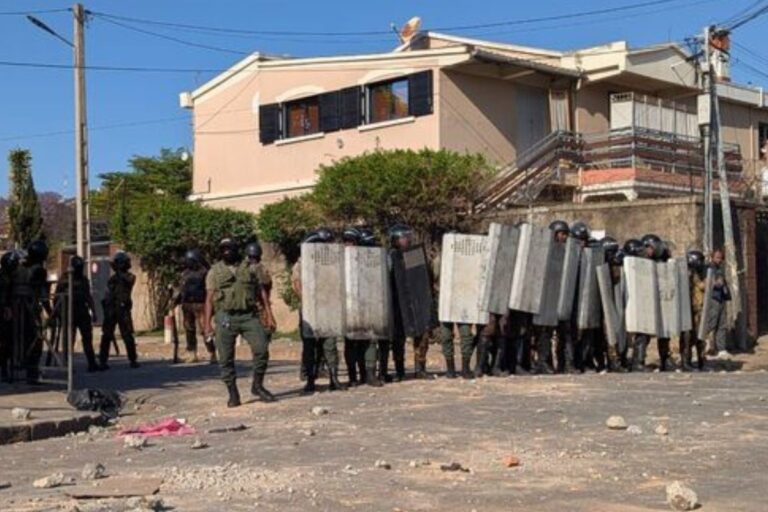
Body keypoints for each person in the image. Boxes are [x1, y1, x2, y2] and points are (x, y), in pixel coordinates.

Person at [204, 238, 277, 408]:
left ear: (237, 249)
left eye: (230, 248)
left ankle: (257, 386)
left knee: (261, 349)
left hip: (248, 315)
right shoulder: (214, 272)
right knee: (226, 358)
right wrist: (207, 324)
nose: (227, 251)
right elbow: (208, 299)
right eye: (224, 249)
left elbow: (261, 291)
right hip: (225, 316)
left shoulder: (250, 267)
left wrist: (268, 314)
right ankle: (232, 392)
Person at [292, 229, 346, 394]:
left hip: (328, 307)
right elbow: (297, 285)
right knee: (310, 346)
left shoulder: (331, 261)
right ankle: (310, 380)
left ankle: (333, 378)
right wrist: (309, 302)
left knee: (330, 343)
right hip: (310, 308)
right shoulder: (301, 263)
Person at [384, 224, 433, 381]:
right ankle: (399, 371)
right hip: (397, 302)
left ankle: (420, 368)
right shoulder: (389, 257)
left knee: (421, 334)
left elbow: (423, 278)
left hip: (415, 300)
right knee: (398, 338)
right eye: (403, 237)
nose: (406, 240)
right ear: (395, 239)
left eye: (407, 237)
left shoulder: (414, 255)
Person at [534, 220, 571, 375]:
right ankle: (543, 362)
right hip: (545, 299)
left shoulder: (567, 252)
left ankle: (563, 363)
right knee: (545, 334)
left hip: (560, 298)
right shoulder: (543, 250)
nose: (564, 237)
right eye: (561, 234)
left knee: (563, 333)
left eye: (565, 234)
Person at [12, 240, 51, 384]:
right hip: (29, 307)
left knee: (17, 339)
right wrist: (50, 312)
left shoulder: (19, 268)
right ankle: (32, 373)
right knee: (35, 340)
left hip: (15, 308)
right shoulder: (38, 270)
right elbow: (43, 294)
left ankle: (13, 371)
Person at [53, 256, 99, 372]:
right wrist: (56, 313)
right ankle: (67, 365)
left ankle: (92, 363)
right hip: (69, 313)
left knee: (87, 339)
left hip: (82, 312)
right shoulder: (64, 280)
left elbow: (88, 297)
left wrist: (93, 312)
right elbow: (57, 298)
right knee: (69, 341)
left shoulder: (83, 280)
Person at [99, 251, 139, 370]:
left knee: (127, 335)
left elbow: (127, 281)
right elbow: (108, 293)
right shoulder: (113, 279)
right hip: (112, 309)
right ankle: (102, 361)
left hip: (123, 309)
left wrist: (119, 270)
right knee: (106, 335)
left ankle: (132, 359)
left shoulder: (129, 277)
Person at [175, 249, 214, 363]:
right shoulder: (185, 273)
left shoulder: (205, 273)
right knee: (189, 329)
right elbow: (181, 289)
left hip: (201, 304)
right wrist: (176, 300)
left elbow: (210, 289)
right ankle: (192, 353)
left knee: (205, 329)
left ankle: (212, 352)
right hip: (187, 304)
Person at [341, 227, 367, 386]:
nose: (348, 245)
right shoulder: (339, 259)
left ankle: (365, 373)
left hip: (363, 305)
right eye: (346, 242)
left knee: (364, 341)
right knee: (349, 343)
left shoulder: (364, 258)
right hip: (346, 305)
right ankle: (352, 376)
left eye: (351, 242)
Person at [246, 241, 276, 348]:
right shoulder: (261, 268)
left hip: (257, 303)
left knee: (265, 328)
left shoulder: (249, 268)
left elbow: (264, 288)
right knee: (266, 328)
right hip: (258, 303)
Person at [682, 249, 707, 371]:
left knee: (700, 336)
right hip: (688, 310)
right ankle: (686, 361)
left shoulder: (697, 274)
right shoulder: (688, 274)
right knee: (688, 337)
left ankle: (701, 361)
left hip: (697, 309)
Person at [0, 250, 21, 382]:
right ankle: (4, 370)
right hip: (3, 313)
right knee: (4, 342)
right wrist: (6, 308)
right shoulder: (3, 278)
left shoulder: (8, 277)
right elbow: (3, 296)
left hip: (7, 312)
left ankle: (7, 368)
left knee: (8, 342)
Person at [707, 248, 732, 359]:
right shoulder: (709, 268)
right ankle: (703, 345)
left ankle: (721, 349)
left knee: (722, 324)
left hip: (721, 298)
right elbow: (706, 283)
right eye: (717, 257)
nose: (719, 260)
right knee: (711, 323)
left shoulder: (720, 268)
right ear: (712, 258)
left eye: (721, 258)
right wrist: (715, 283)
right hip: (713, 298)